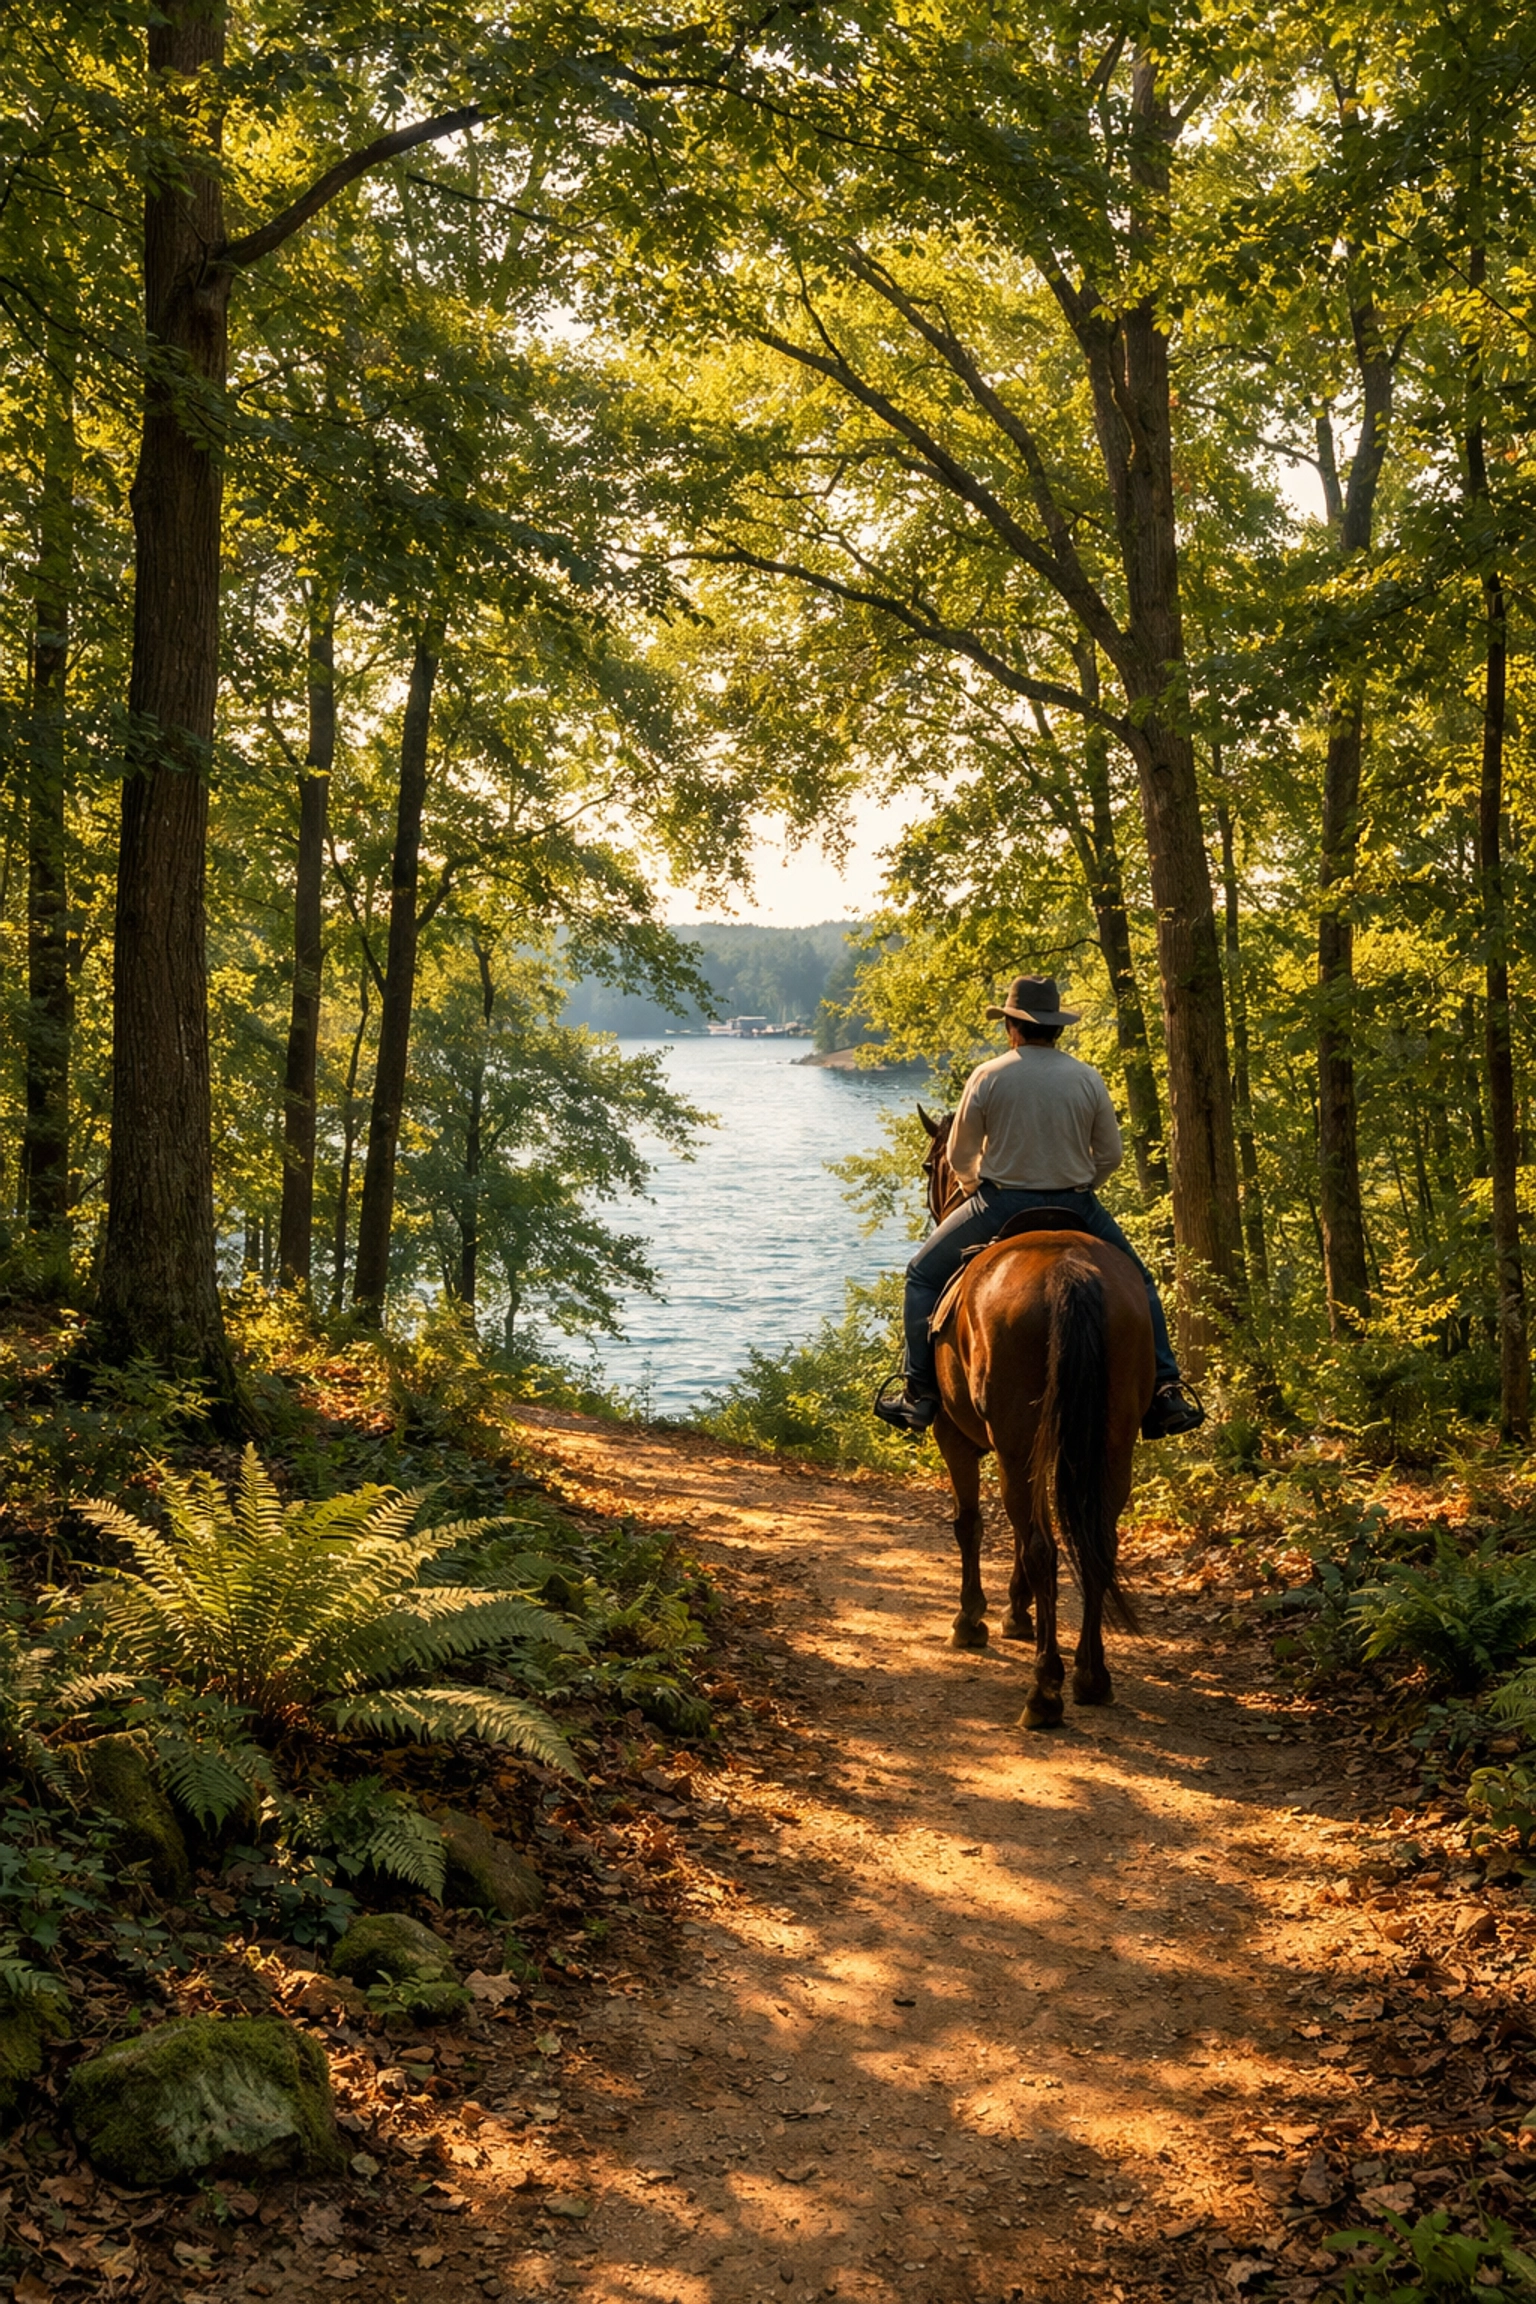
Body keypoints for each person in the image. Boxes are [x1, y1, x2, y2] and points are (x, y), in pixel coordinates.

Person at [873, 974, 1205, 1440]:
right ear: (1057, 1028)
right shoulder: (1087, 1078)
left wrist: (972, 1187)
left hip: (999, 1203)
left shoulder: (988, 1075)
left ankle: (919, 1392)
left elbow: (959, 1155)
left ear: (1011, 1026)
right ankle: (1166, 1389)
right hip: (1076, 1204)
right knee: (1140, 1280)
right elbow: (1110, 1155)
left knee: (922, 1275)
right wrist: (1083, 1185)